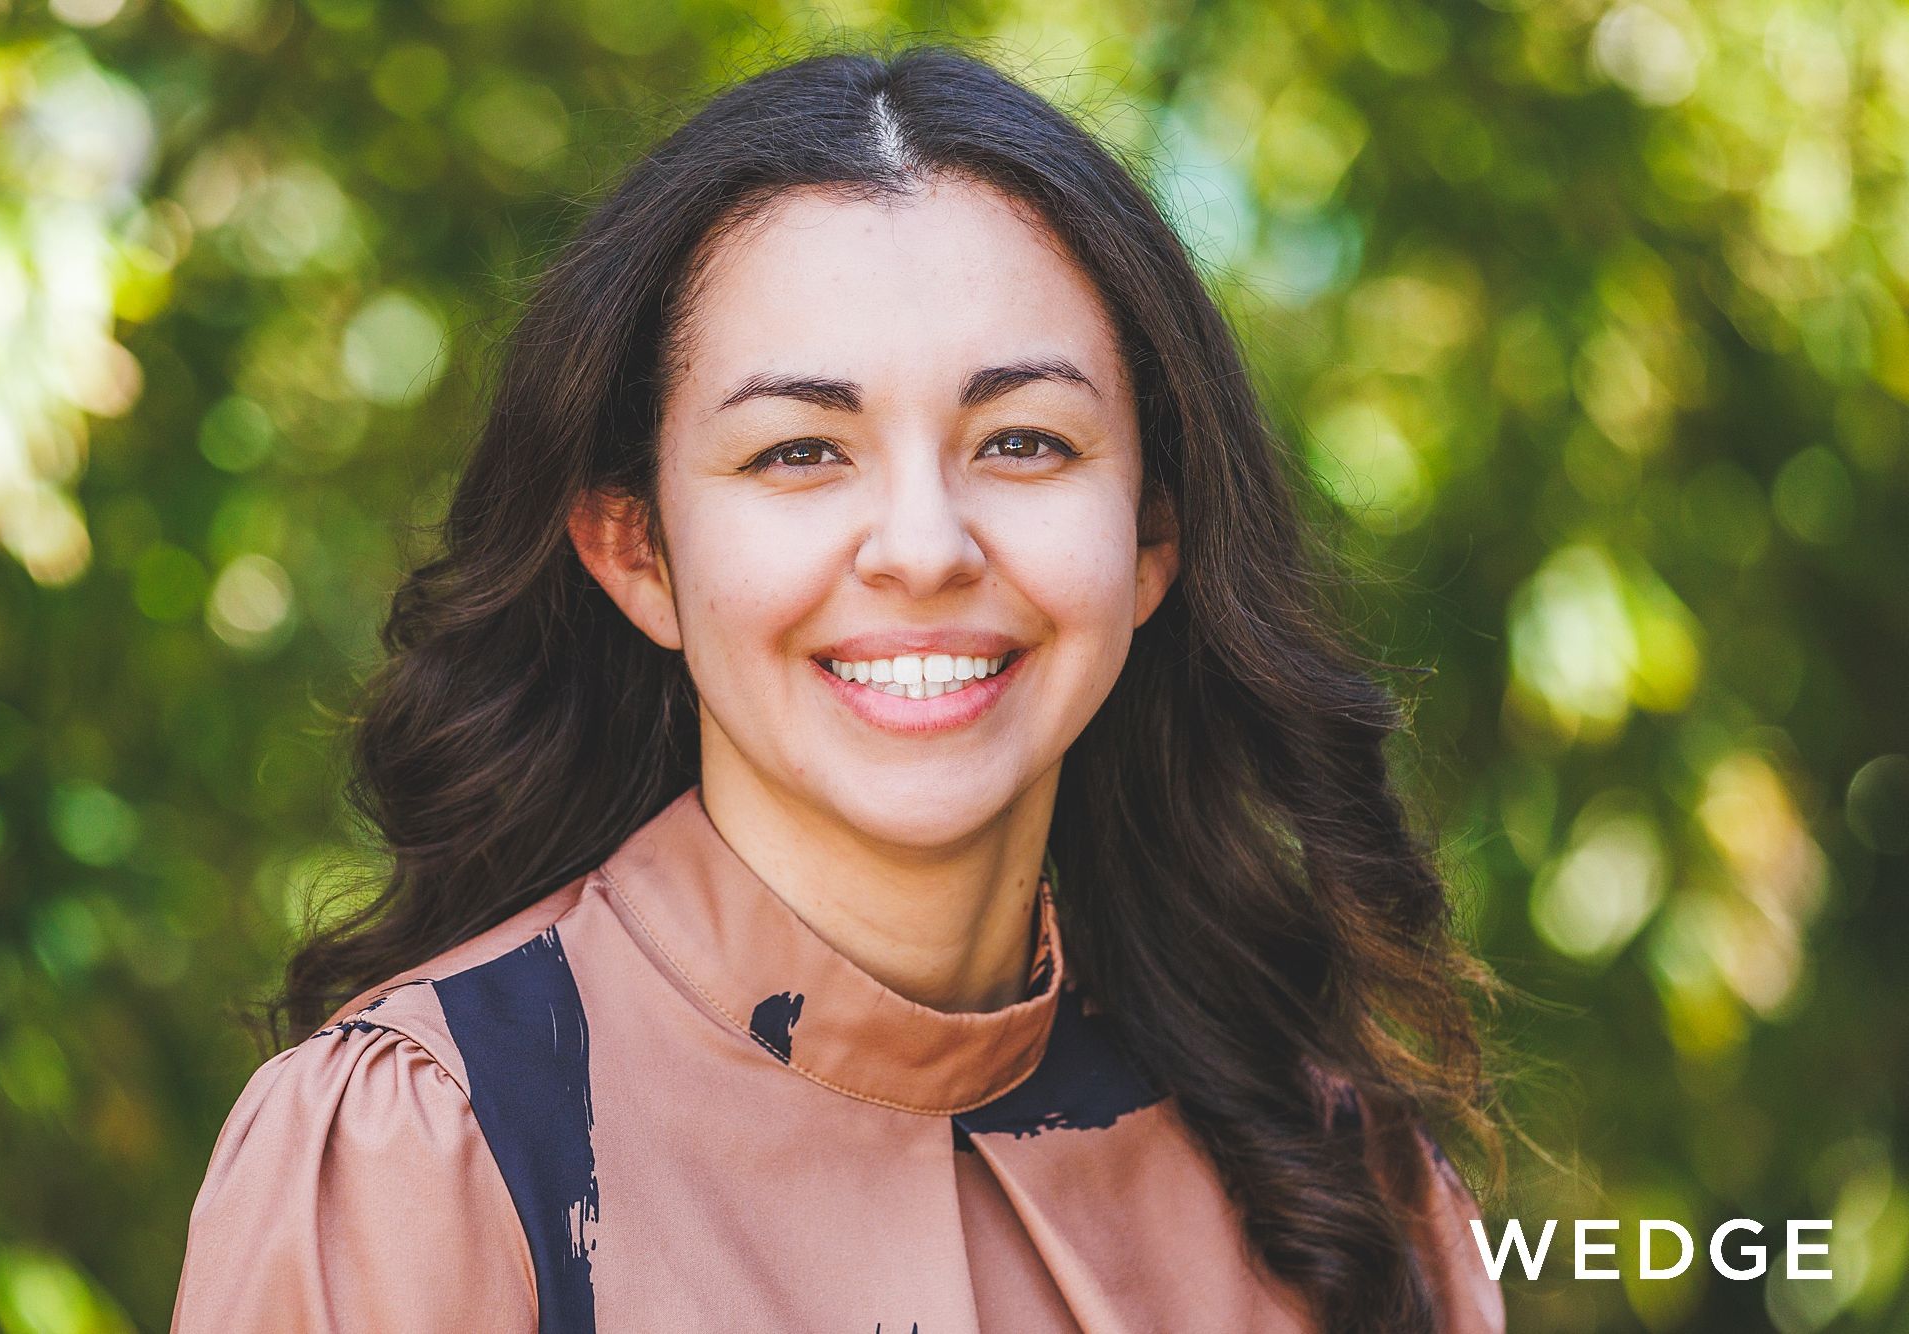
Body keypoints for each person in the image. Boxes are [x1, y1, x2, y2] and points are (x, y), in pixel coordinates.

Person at [171, 42, 1508, 1334]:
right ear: (638, 549)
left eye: (1024, 441)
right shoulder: (429, 1150)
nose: (925, 547)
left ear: (1151, 536)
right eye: (802, 451)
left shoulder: (1348, 1206)